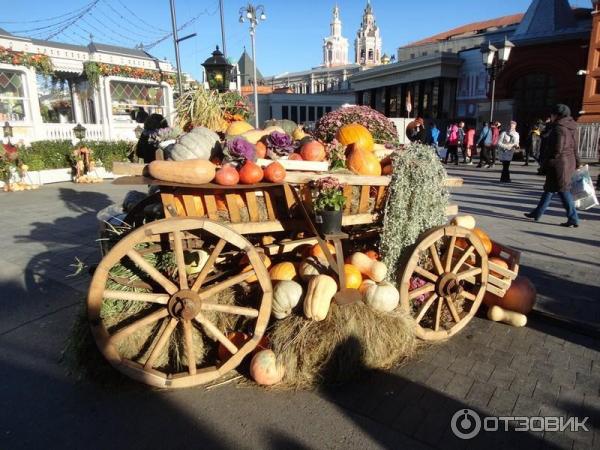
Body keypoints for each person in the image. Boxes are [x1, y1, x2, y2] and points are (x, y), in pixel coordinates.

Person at [525, 104, 580, 227]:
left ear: (557, 115)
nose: (551, 116)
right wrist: (577, 162)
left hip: (558, 163)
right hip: (568, 162)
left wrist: (547, 161)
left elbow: (557, 149)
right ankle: (537, 213)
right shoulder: (573, 127)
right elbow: (575, 147)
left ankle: (573, 217)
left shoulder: (559, 128)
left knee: (563, 190)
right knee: (549, 189)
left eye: (552, 114)